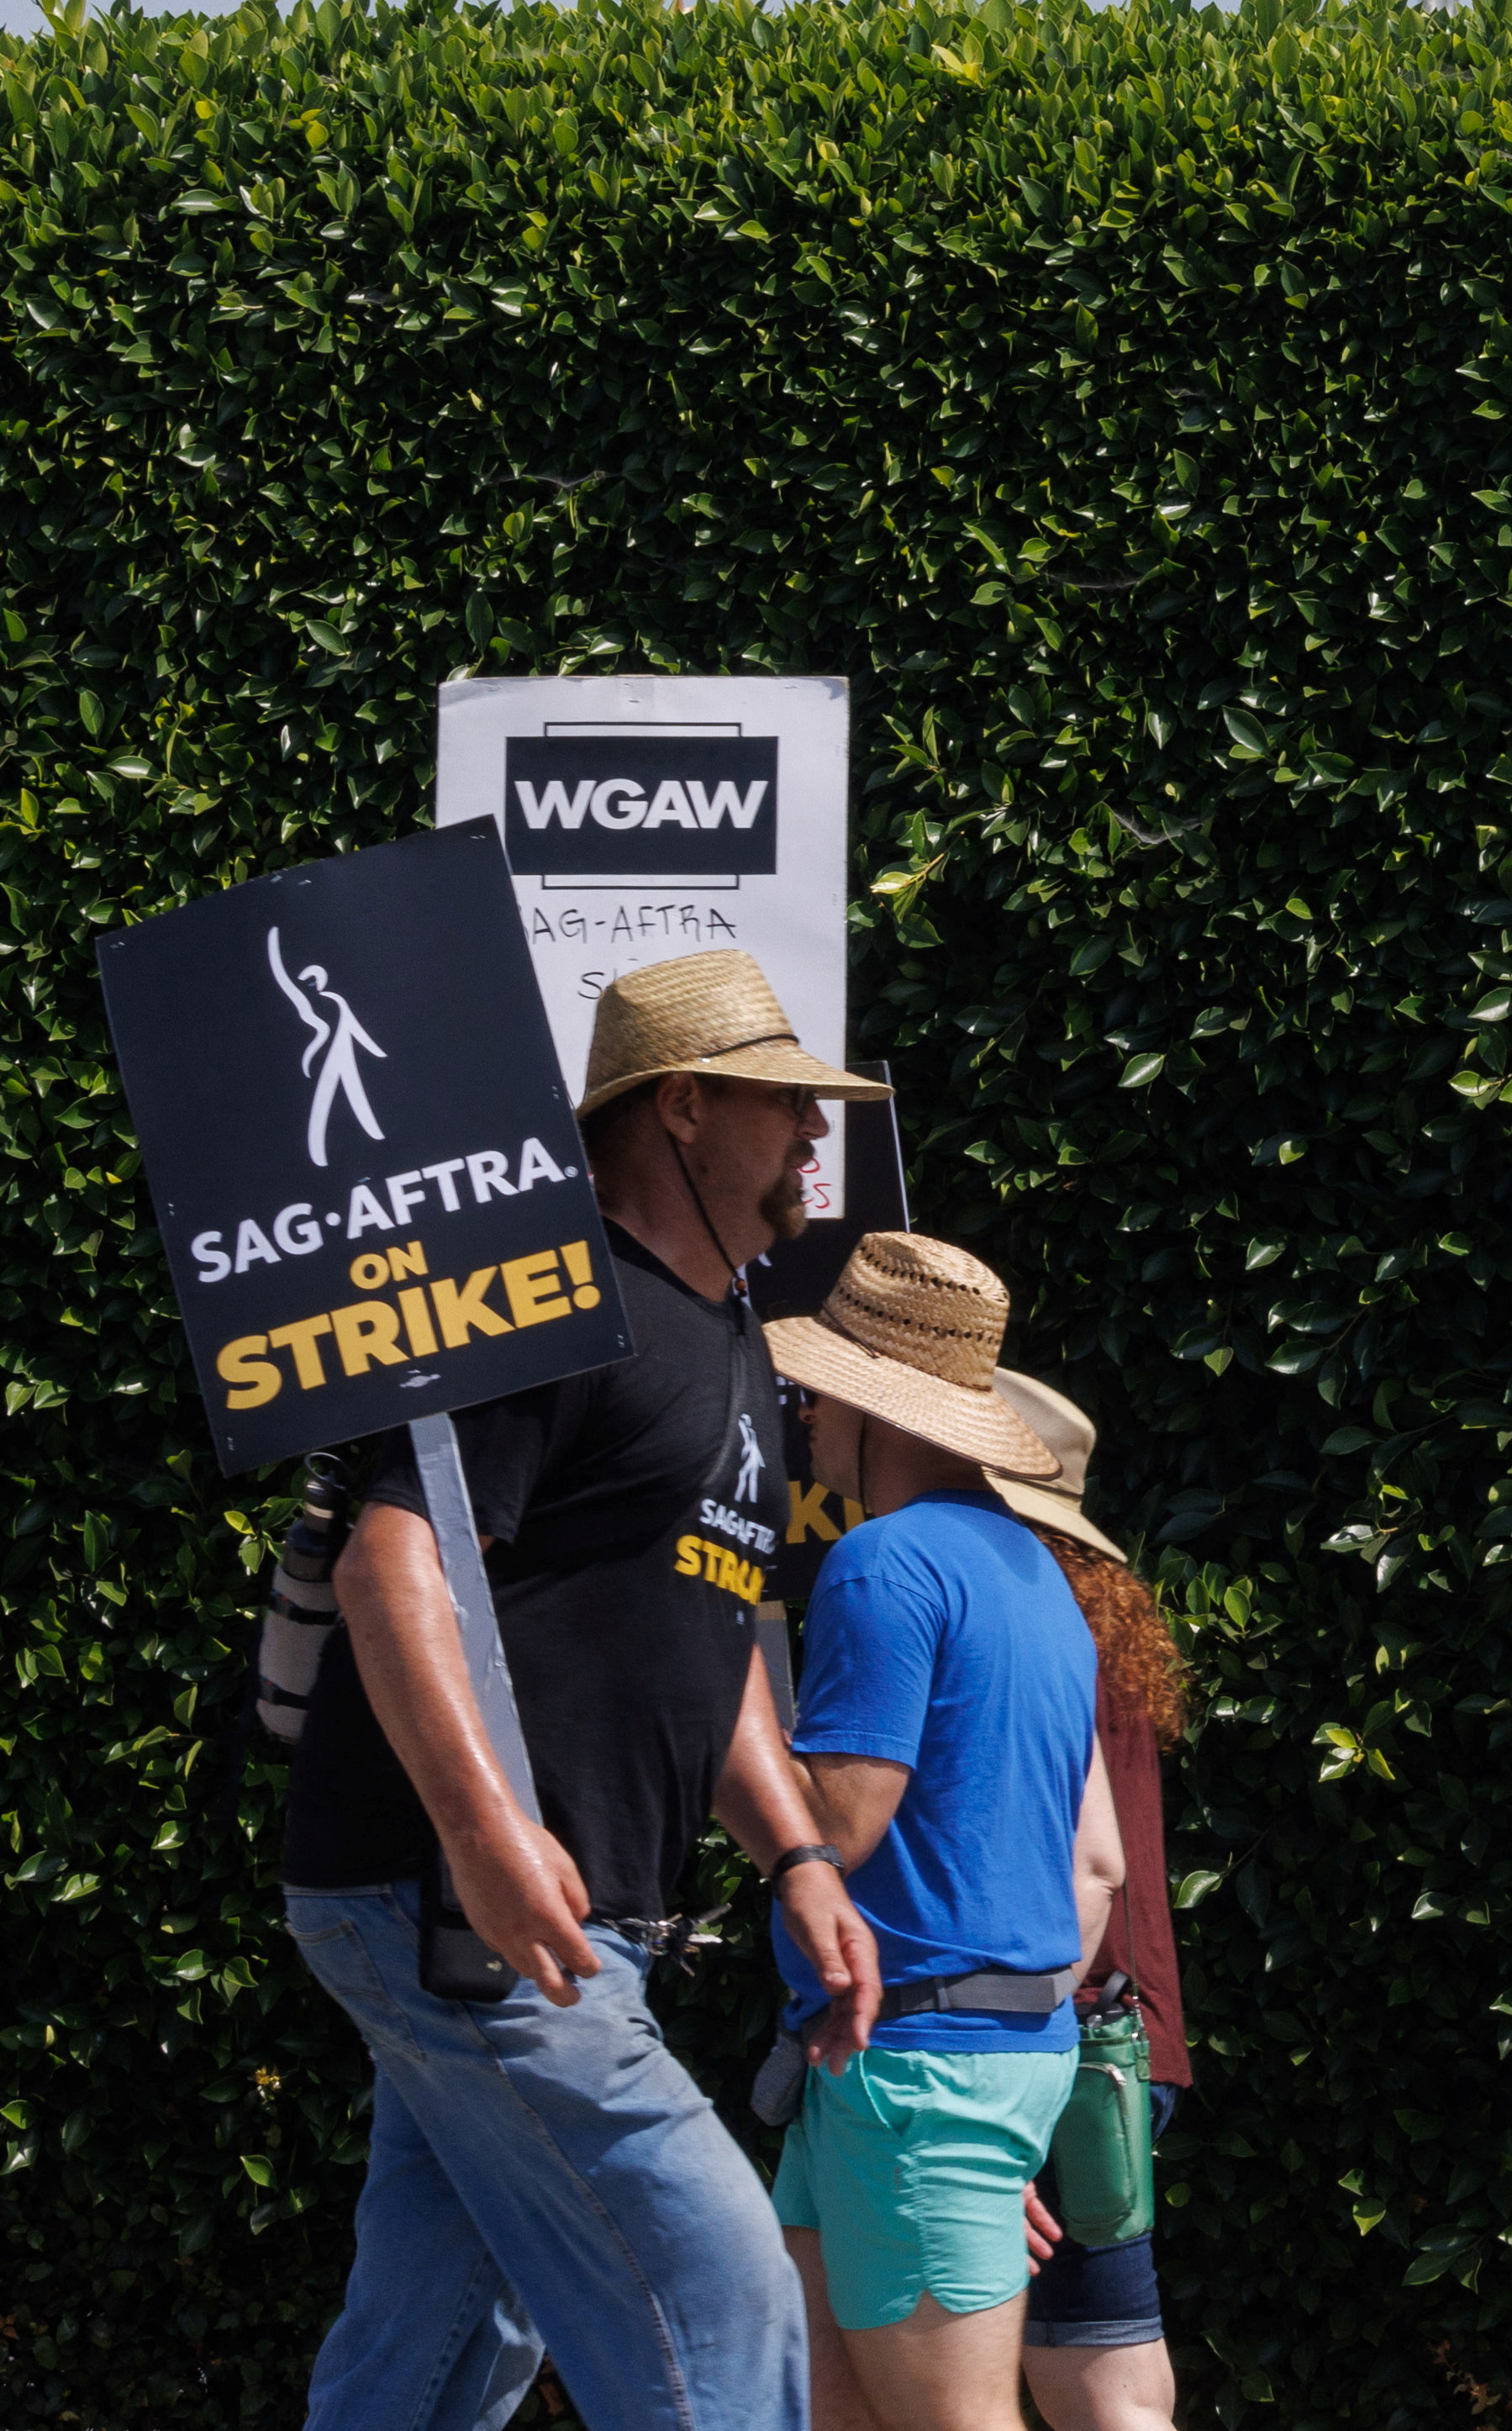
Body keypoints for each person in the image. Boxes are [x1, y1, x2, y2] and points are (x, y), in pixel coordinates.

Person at [278, 947, 888, 2431]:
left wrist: (796, 1849)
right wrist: (487, 1841)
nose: (817, 1135)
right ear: (681, 1105)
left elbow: (715, 1624)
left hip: (543, 1917)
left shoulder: (736, 1338)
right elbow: (388, 1567)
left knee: (438, 2341)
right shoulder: (550, 1305)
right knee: (719, 2286)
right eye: (783, 1104)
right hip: (458, 1909)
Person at [762, 1231, 1118, 2431]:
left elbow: (837, 1823)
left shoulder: (879, 1560)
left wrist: (714, 1720)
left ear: (876, 1403)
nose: (802, 1413)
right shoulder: (1038, 1576)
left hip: (917, 2065)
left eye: (817, 1387)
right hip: (935, 2053)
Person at [991, 1369, 1199, 2431]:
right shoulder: (1092, 1618)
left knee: (1077, 2386)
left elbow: (1078, 1871)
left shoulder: (1018, 1621)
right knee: (1110, 2368)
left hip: (1050, 2031)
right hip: (1119, 2037)